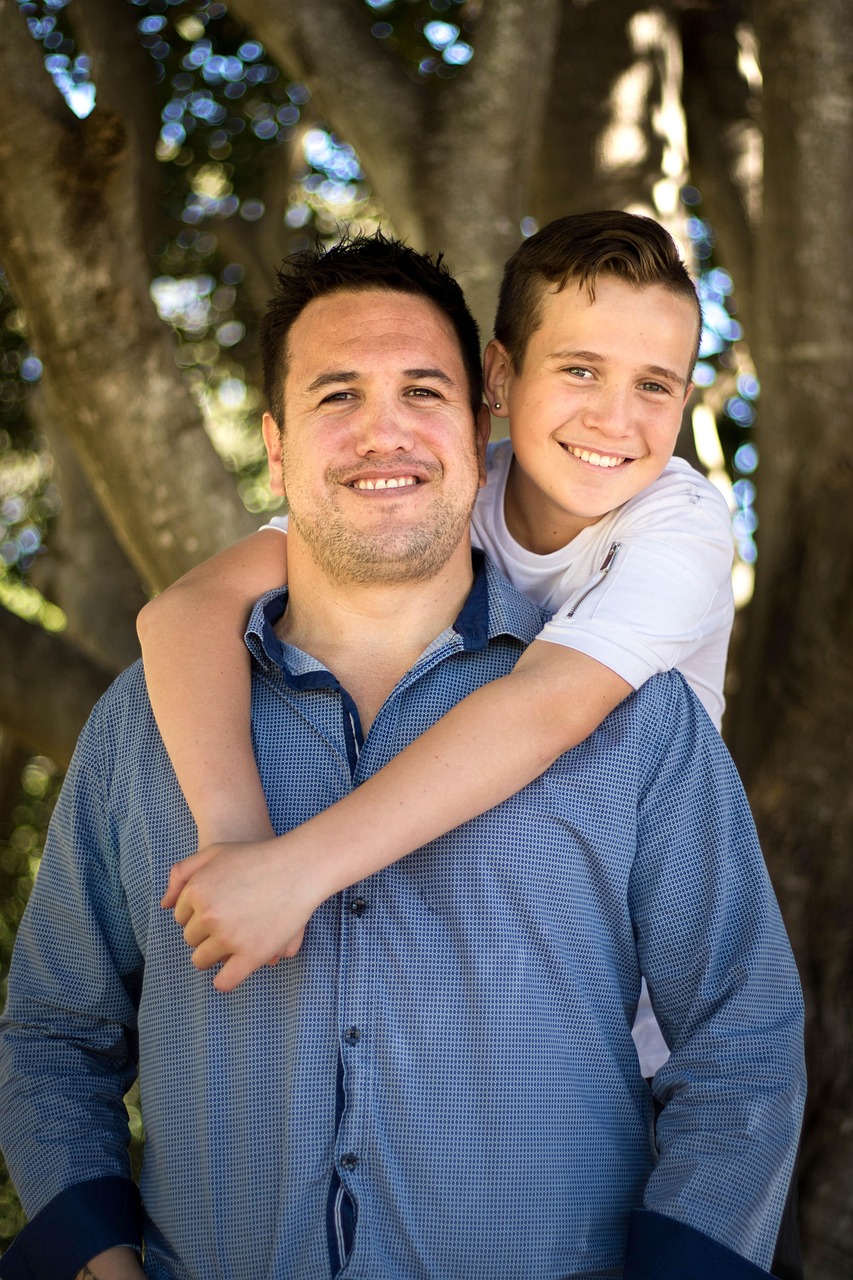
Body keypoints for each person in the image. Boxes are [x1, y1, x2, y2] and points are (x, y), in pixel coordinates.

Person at [0, 234, 805, 1280]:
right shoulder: (147, 722)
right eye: (338, 393)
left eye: (422, 389)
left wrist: (290, 868)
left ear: (474, 420)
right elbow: (55, 1032)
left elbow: (740, 1042)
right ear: (277, 450)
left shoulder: (647, 672)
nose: (384, 428)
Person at [137, 213, 734, 1022]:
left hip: (609, 994)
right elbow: (188, 608)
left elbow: (545, 706)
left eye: (653, 384)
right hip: (448, 960)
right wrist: (237, 840)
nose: (614, 420)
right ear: (499, 374)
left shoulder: (681, 526)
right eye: (580, 371)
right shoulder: (442, 483)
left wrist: (293, 870)